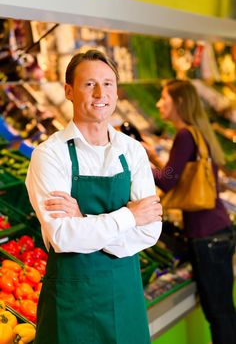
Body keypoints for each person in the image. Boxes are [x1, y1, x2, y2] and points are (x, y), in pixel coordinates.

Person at [25, 49, 162, 344]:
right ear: (69, 91)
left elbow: (150, 230)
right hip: (71, 306)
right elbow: (63, 236)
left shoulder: (133, 151)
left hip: (125, 298)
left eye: (108, 83)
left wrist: (85, 221)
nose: (101, 93)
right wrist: (129, 216)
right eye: (89, 84)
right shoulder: (49, 155)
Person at [145, 79, 236, 344]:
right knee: (225, 311)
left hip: (207, 236)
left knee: (218, 314)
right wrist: (154, 158)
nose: (159, 104)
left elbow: (167, 180)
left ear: (179, 102)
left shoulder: (185, 135)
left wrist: (138, 162)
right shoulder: (199, 133)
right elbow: (180, 175)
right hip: (219, 231)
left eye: (164, 98)